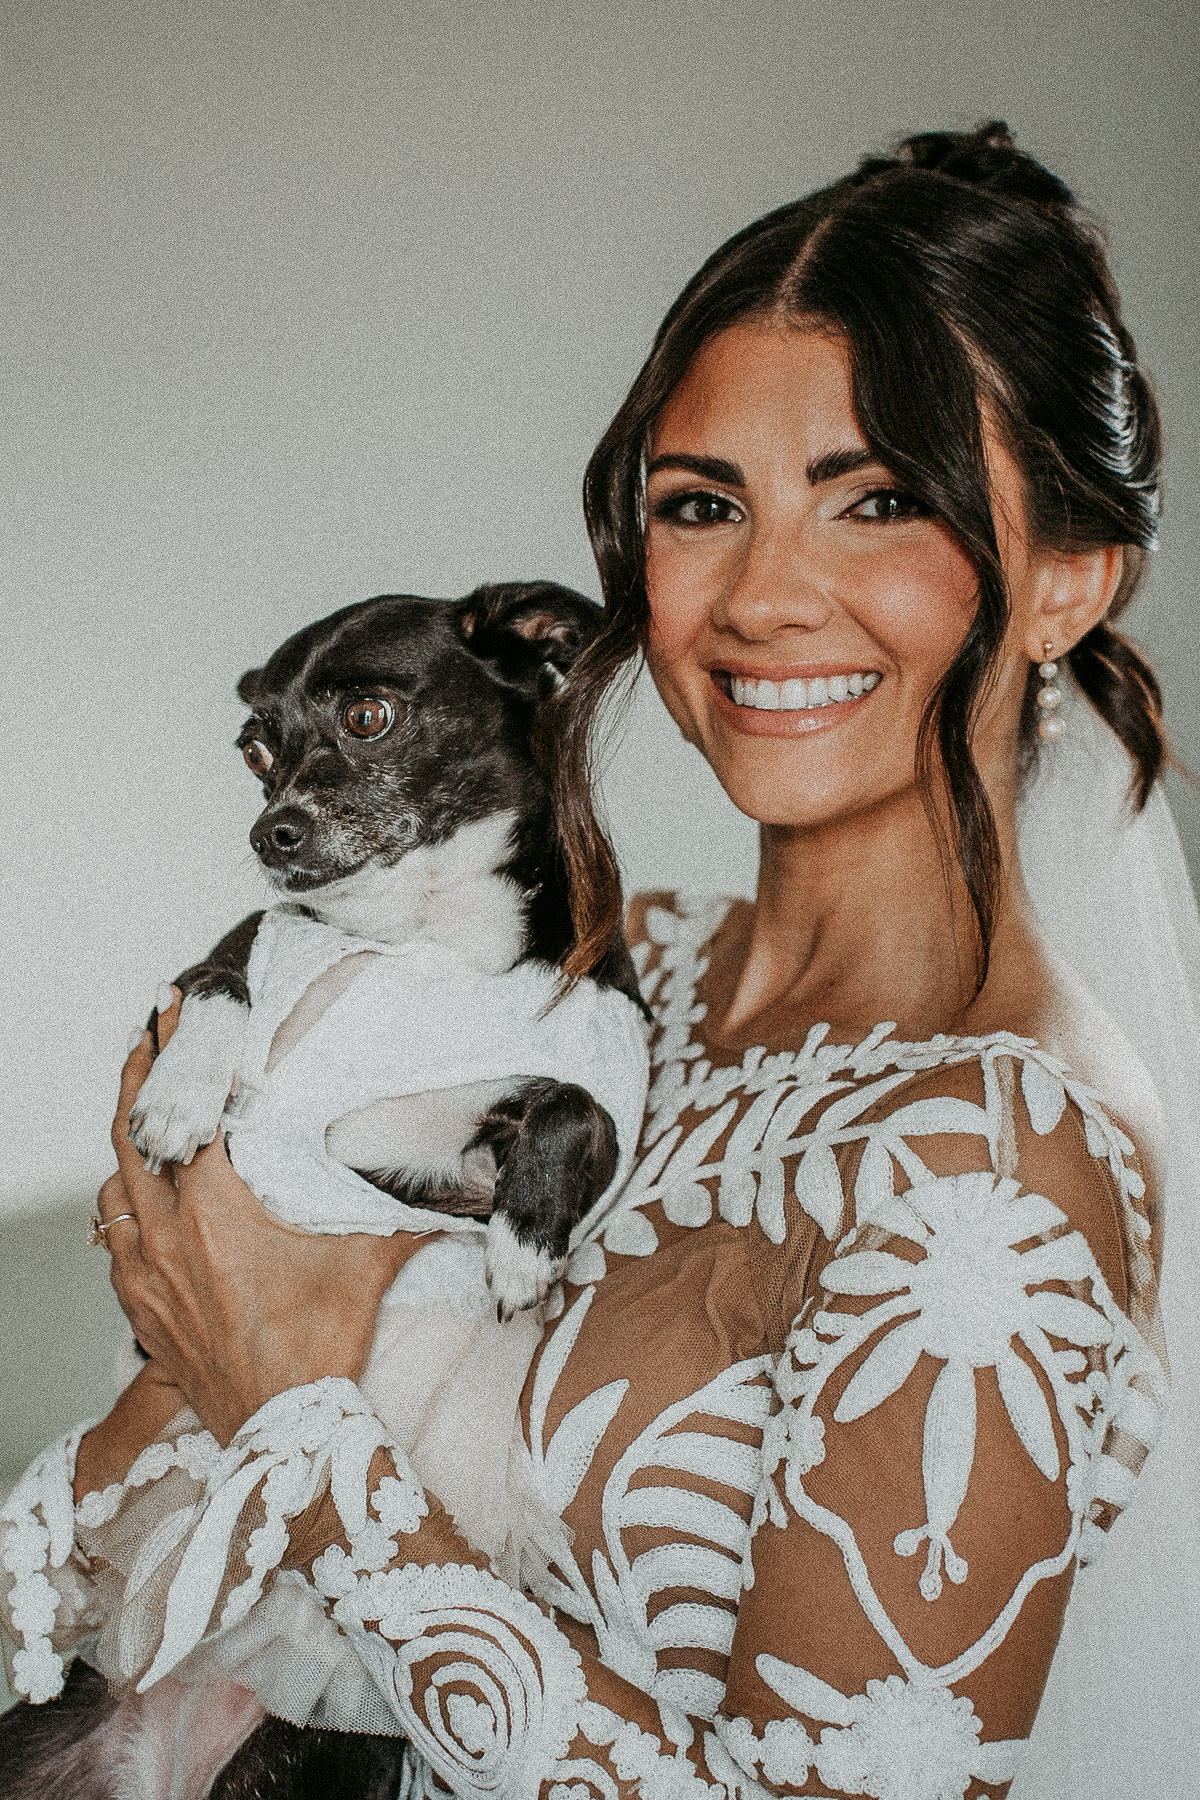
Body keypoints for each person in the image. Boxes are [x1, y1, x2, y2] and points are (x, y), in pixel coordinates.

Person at [4, 121, 1197, 1799]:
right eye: (703, 505)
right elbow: (179, 1408)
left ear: (1068, 575)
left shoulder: (1004, 1156)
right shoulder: (616, 974)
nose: (764, 594)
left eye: (877, 503)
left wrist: (291, 1395)